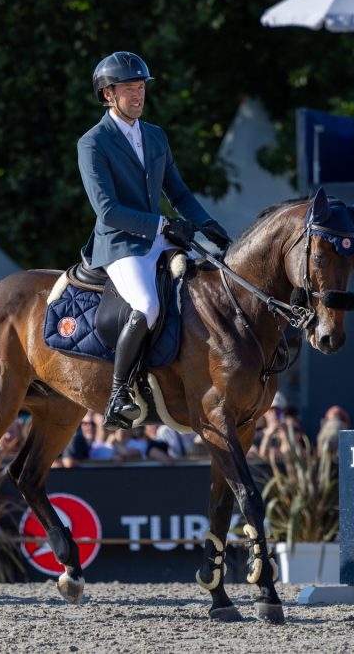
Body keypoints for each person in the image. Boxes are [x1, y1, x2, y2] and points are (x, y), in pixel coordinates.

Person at [79, 51, 231, 430]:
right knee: (146, 304)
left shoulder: (155, 135)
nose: (138, 95)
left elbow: (178, 193)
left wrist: (208, 224)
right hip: (120, 243)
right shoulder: (93, 143)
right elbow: (108, 211)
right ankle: (119, 393)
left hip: (158, 238)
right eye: (129, 89)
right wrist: (164, 226)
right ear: (107, 95)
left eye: (141, 87)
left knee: (204, 285)